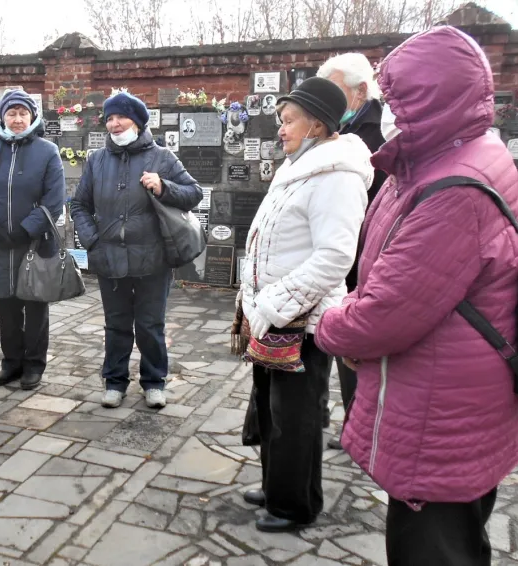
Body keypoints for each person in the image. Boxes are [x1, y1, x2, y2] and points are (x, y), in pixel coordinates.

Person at [315, 26, 518, 566]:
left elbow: (388, 313)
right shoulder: (439, 156)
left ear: (433, 96)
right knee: (455, 540)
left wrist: (331, 323)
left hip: (441, 411)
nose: (388, 110)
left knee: (432, 548)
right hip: (451, 395)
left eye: (397, 97)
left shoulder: (453, 187)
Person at [237, 77, 372, 532]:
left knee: (296, 416)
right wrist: (254, 299)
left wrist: (274, 303)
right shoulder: (298, 168)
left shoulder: (337, 176)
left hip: (302, 320)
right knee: (271, 408)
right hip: (273, 316)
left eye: (289, 120)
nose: (281, 128)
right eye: (281, 120)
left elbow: (335, 256)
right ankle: (276, 485)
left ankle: (295, 504)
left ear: (317, 124)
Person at [71, 92, 202, 409]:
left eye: (121, 117)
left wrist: (164, 186)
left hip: (152, 260)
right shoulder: (96, 160)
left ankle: (154, 381)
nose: (114, 124)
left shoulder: (163, 158)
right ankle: (114, 382)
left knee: (150, 325)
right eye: (109, 118)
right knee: (116, 326)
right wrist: (93, 240)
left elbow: (194, 193)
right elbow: (79, 205)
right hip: (109, 259)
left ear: (138, 121)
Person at [0, 90, 65, 390]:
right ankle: (11, 362)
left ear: (33, 116)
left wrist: (26, 230)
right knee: (7, 308)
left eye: (23, 113)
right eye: (12, 113)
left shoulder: (47, 152)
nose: (18, 119)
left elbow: (54, 200)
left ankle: (34, 364)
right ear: (3, 117)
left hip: (34, 243)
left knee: (35, 306)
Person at [317, 52, 388, 450]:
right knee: (337, 343)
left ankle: (359, 428)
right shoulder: (336, 128)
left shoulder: (376, 134)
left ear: (360, 91)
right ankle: (344, 420)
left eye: (335, 90)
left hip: (363, 256)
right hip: (340, 253)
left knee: (356, 348)